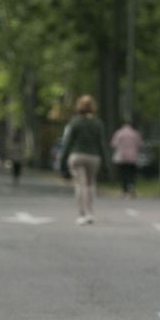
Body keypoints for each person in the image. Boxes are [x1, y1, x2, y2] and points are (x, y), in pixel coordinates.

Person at [60, 95, 111, 225]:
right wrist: (106, 163)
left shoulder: (75, 122)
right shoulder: (98, 123)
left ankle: (82, 214)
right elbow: (102, 144)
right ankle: (90, 213)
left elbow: (68, 143)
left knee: (79, 185)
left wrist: (63, 160)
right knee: (90, 184)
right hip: (94, 157)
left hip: (77, 156)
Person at [110, 120, 144, 198]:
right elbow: (140, 144)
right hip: (133, 157)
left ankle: (124, 191)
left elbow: (113, 144)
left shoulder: (119, 133)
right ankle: (132, 187)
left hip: (122, 157)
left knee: (123, 174)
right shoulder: (135, 133)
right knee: (132, 173)